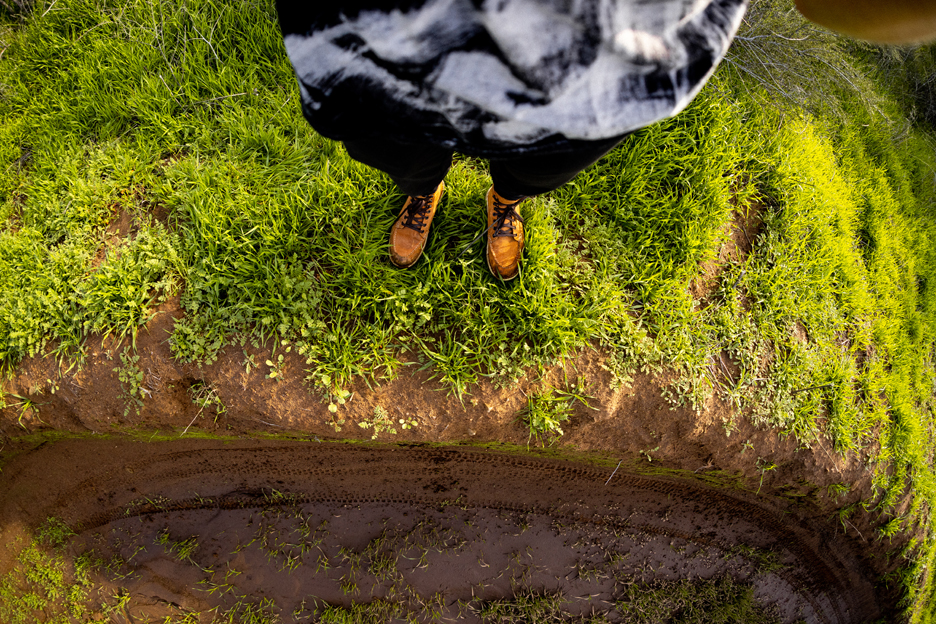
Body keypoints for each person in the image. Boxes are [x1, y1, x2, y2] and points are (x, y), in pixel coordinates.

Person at [275, 0, 936, 282]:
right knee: (402, 149)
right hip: (372, 50)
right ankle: (423, 193)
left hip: (597, 76)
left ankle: (505, 200)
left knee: (536, 163)